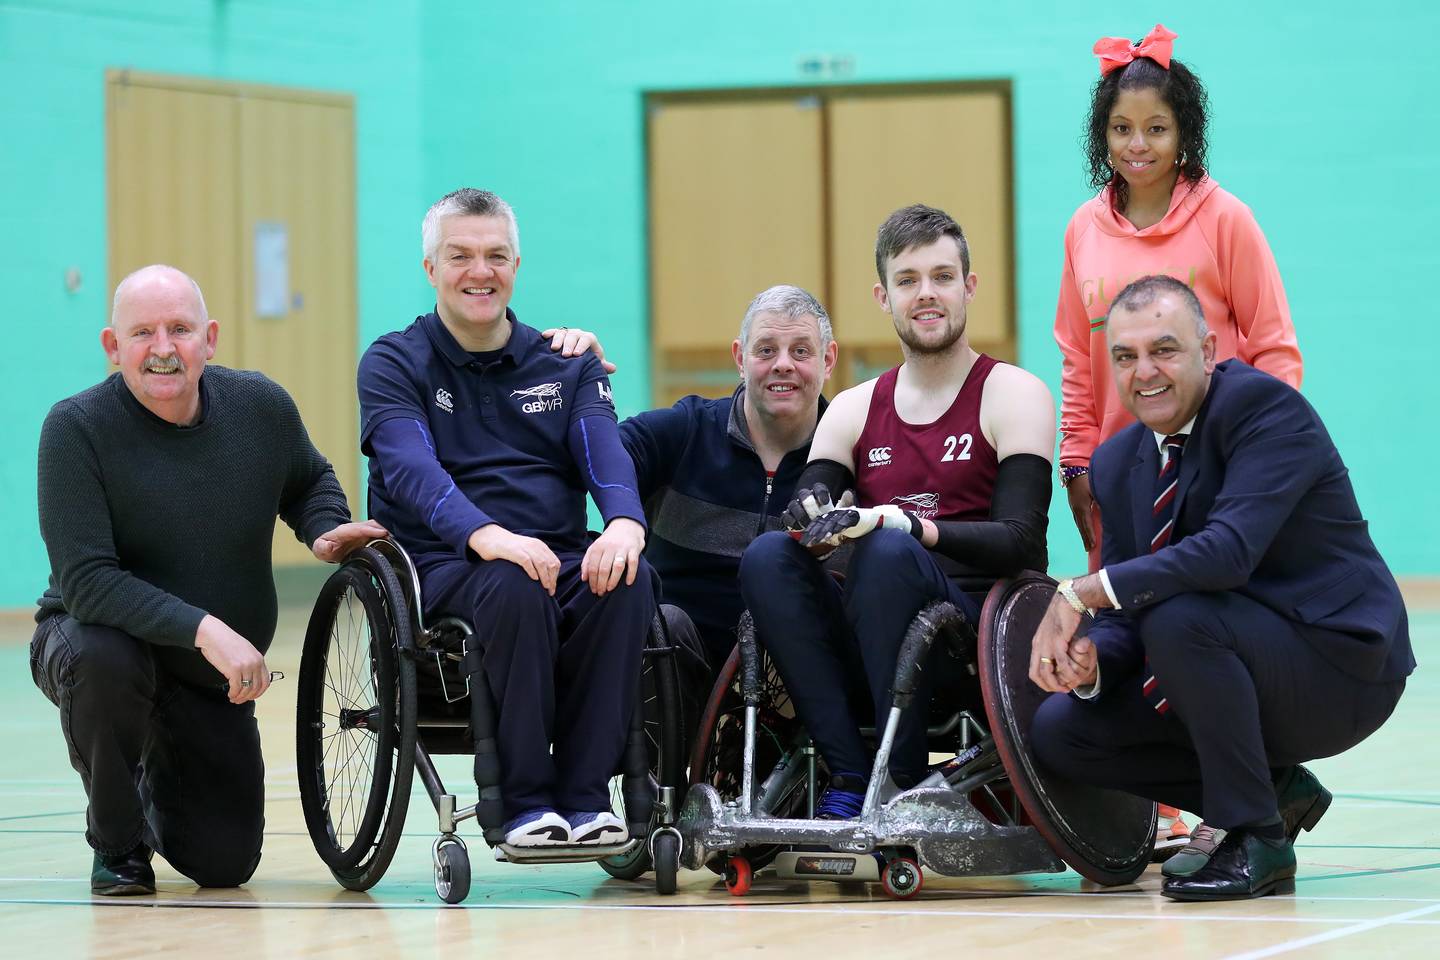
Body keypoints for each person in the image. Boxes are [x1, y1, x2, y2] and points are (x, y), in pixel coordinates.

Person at [1028, 276, 1412, 902]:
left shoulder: (1265, 410)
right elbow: (1127, 617)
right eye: (1125, 357)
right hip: (1226, 660)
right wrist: (1095, 662)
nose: (1144, 372)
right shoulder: (1116, 462)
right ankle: (1276, 794)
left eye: (1165, 350)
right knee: (1061, 730)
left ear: (1208, 352)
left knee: (1181, 618)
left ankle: (1256, 835)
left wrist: (1081, 592)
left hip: (1338, 667)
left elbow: (1227, 554)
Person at [33, 265, 384, 896]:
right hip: (96, 641)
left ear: (210, 339)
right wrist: (207, 629)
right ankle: (117, 843)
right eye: (142, 332)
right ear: (114, 347)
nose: (163, 349)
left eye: (180, 329)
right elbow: (87, 584)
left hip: (203, 681)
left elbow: (308, 482)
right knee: (102, 659)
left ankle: (152, 766)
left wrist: (326, 530)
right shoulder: (75, 429)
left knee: (224, 864)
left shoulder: (261, 407)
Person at [1053, 23, 1304, 849]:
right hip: (1125, 481)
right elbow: (1077, 358)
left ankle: (1239, 807)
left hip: (1213, 469)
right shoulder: (1082, 229)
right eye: (1123, 129)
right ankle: (1168, 810)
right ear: (1104, 134)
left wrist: (1258, 458)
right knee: (1119, 641)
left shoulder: (1227, 218)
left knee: (1189, 627)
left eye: (1156, 128)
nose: (1139, 145)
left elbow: (1273, 351)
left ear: (1184, 130)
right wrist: (1078, 459)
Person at [358, 188, 655, 848]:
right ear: (431, 267)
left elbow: (603, 450)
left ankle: (585, 801)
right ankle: (524, 806)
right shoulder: (392, 362)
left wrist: (625, 523)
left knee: (629, 578)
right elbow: (410, 470)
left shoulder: (566, 360)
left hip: (556, 553)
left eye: (496, 255)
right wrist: (489, 537)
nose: (480, 272)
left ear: (516, 264)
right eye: (460, 255)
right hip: (446, 564)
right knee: (516, 584)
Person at [738, 204, 1055, 815]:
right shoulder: (854, 408)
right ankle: (853, 776)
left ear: (969, 286)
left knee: (886, 550)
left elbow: (1022, 543)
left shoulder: (1013, 393)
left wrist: (910, 525)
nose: (926, 294)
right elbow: (807, 509)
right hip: (866, 633)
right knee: (768, 554)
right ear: (884, 297)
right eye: (908, 280)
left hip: (969, 642)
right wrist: (814, 518)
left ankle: (900, 781)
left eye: (941, 276)